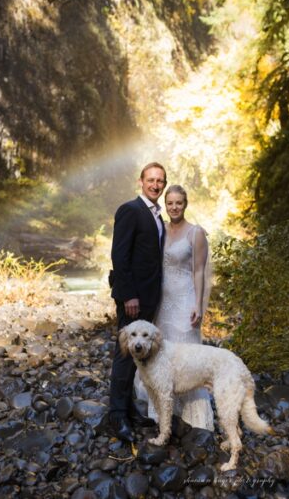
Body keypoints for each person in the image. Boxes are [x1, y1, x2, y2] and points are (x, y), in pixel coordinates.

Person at [134, 185, 214, 430]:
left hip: (185, 302)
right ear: (165, 205)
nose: (174, 207)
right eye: (170, 203)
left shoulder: (195, 233)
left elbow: (199, 271)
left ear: (185, 204)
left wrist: (198, 305)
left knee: (187, 358)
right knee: (160, 358)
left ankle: (193, 418)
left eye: (179, 203)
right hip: (162, 303)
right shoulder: (161, 229)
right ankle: (162, 415)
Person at [107, 162, 167, 442]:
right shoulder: (130, 210)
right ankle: (117, 416)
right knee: (124, 354)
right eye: (151, 180)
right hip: (132, 298)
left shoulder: (157, 216)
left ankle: (130, 409)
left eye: (160, 181)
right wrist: (129, 294)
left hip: (150, 298)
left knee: (137, 356)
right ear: (141, 181)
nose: (156, 185)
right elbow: (120, 256)